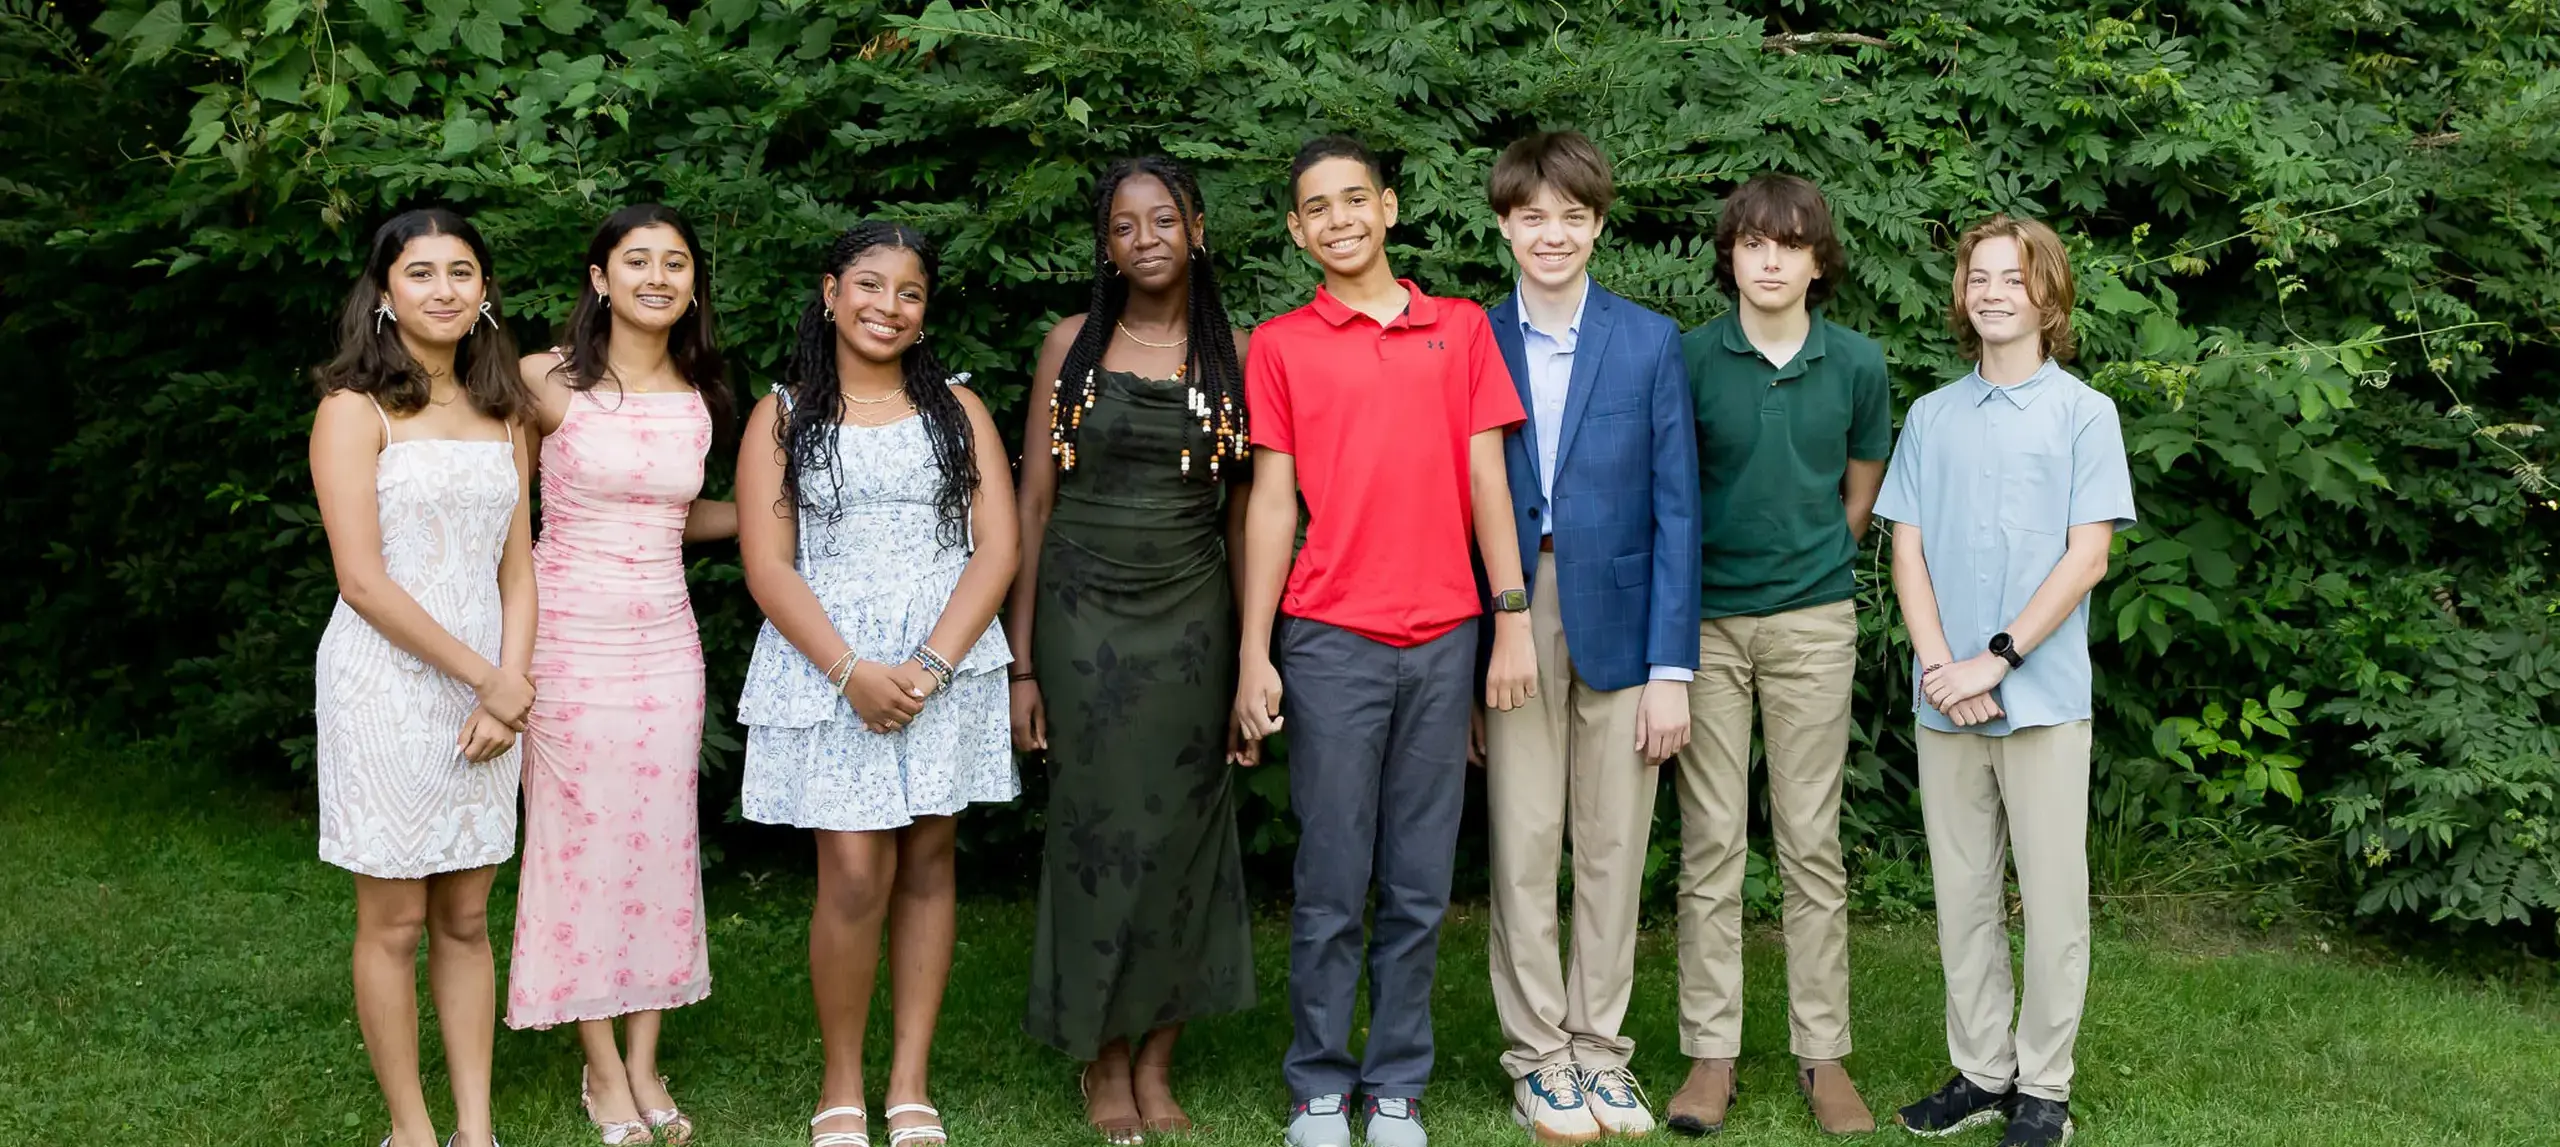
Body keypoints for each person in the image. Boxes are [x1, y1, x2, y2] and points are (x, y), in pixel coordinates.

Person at [1232, 134, 1537, 1147]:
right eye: (1315, 207)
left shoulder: (1458, 329)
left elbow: (1489, 481)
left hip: (1446, 634)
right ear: (1295, 229)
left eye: (1353, 199)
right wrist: (1254, 651)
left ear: (1391, 208)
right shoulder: (1278, 344)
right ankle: (1320, 1082)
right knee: (1329, 874)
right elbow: (1270, 503)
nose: (1338, 220)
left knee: (1416, 878)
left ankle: (1396, 1082)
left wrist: (1509, 619)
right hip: (1327, 639)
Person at [735, 221, 1020, 1147]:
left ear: (925, 313)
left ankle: (909, 1082)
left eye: (908, 292)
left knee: (930, 861)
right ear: (829, 292)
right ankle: (841, 1081)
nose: (886, 306)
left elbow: (999, 548)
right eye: (868, 285)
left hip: (944, 661)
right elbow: (768, 564)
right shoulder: (783, 416)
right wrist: (850, 671)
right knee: (855, 871)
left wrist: (934, 665)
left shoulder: (960, 411)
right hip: (833, 666)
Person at [1008, 156, 1257, 1145]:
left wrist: (1251, 660)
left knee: (1184, 838)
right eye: (1123, 224)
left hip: (1194, 618)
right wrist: (1021, 663)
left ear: (1196, 227)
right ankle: (1101, 1059)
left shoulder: (1237, 355)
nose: (1144, 237)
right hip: (1080, 617)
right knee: (1094, 834)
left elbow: (1247, 516)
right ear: (1104, 244)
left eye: (1163, 218)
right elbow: (1032, 502)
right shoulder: (1069, 347)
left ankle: (1157, 1059)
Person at [1877, 215, 2133, 1147]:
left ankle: (2046, 1088)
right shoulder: (1933, 416)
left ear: (2047, 297)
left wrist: (1998, 658)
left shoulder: (2084, 413)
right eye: (1977, 277)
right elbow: (1906, 551)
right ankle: (1983, 1071)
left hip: (2041, 696)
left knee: (2055, 898)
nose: (1992, 292)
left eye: (2012, 279)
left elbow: (2087, 557)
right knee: (1963, 895)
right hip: (1946, 697)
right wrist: (1944, 668)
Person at [1476, 131, 1700, 1143]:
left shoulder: (1649, 342)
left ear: (1598, 225)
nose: (1552, 234)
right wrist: (1487, 627)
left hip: (1622, 611)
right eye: (1533, 216)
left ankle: (1599, 1049)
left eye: (1572, 216)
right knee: (1525, 840)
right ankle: (1537, 1057)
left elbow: (1677, 513)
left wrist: (1671, 667)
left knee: (1612, 843)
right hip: (1512, 607)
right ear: (1504, 225)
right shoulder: (1470, 338)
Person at [1664, 173, 1893, 1137]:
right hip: (1705, 624)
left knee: (1812, 843)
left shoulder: (1857, 364)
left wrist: (1818, 560)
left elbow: (1860, 489)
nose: (1769, 259)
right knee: (1712, 843)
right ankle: (1710, 1056)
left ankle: (1822, 1055)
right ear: (1732, 255)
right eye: (1753, 243)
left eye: (1789, 244)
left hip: (1813, 622)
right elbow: (1670, 490)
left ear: (1817, 259)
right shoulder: (1687, 360)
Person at [506, 203, 739, 1147]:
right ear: (599, 277)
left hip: (664, 644)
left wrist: (777, 523)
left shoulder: (701, 393)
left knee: (658, 843)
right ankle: (599, 1066)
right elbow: (505, 524)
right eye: (636, 260)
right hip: (567, 637)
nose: (657, 276)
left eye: (675, 262)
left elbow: (676, 517)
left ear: (692, 284)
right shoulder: (540, 381)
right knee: (577, 847)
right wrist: (507, 660)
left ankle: (647, 1059)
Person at [309, 206, 536, 1147]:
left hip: (492, 684)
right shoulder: (351, 409)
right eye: (421, 273)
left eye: (461, 272)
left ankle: (474, 1125)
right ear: (385, 291)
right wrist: (488, 678)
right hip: (386, 683)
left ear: (484, 291)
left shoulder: (505, 411)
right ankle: (410, 1126)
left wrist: (510, 682)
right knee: (395, 918)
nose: (443, 290)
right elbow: (361, 579)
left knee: (469, 915)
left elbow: (518, 568)